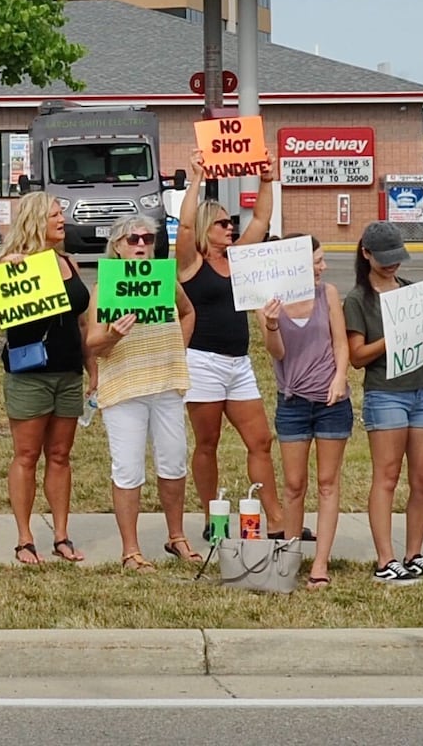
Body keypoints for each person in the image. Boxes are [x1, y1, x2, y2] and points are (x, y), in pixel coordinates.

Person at [344, 222, 423, 585]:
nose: (393, 265)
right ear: (366, 254)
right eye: (385, 259)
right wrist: (392, 339)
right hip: (385, 392)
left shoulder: (411, 292)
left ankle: (415, 553)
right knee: (387, 475)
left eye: (398, 258)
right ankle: (386, 558)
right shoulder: (357, 300)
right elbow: (357, 356)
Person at [174, 151, 284, 536]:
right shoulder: (190, 262)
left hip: (239, 363)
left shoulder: (238, 258)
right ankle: (211, 519)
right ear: (208, 227)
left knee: (260, 440)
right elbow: (185, 228)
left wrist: (267, 181)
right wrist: (196, 180)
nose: (230, 228)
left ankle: (276, 519)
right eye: (222, 223)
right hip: (202, 360)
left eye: (231, 222)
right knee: (208, 443)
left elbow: (262, 220)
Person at [85, 215, 199, 570]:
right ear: (117, 246)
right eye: (132, 239)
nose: (140, 245)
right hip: (124, 387)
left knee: (174, 460)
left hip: (165, 383)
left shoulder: (165, 279)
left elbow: (188, 311)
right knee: (129, 468)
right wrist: (113, 335)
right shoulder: (105, 287)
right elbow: (93, 343)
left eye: (147, 239)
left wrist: (176, 347)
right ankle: (131, 549)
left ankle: (176, 535)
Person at [0, 193, 87, 565]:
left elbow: (82, 321)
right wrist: (4, 270)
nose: (63, 219)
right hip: (30, 373)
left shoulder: (68, 262)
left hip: (69, 370)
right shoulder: (17, 265)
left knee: (60, 455)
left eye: (62, 213)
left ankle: (61, 535)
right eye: (56, 214)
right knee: (27, 455)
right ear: (36, 221)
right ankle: (25, 538)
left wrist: (94, 369)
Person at [261, 236, 349, 588]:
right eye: (317, 260)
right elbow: (277, 353)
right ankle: (290, 557)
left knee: (328, 484)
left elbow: (340, 343)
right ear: (297, 263)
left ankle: (320, 564)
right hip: (293, 402)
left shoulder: (327, 294)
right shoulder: (270, 302)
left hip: (331, 403)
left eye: (323, 259)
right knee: (294, 485)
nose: (322, 267)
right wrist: (269, 324)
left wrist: (340, 378)